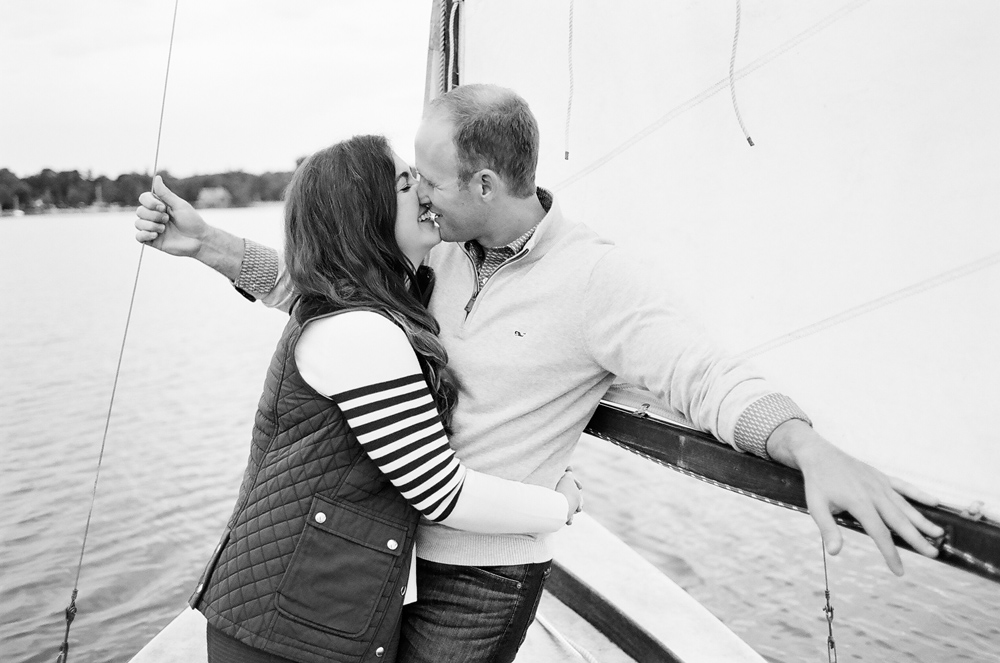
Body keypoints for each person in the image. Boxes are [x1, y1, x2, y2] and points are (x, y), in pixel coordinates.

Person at [135, 84, 946, 663]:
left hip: (483, 574)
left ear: (486, 184)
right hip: (398, 556)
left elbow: (704, 375)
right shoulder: (438, 253)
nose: (415, 190)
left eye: (428, 178)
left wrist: (806, 446)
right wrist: (210, 246)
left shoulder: (597, 281)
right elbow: (336, 289)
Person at [160, 135, 583, 663]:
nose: (427, 195)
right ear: (368, 219)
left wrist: (208, 244)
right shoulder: (362, 331)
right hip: (289, 629)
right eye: (408, 184)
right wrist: (559, 505)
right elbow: (439, 492)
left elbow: (290, 283)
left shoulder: (360, 308)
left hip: (300, 613)